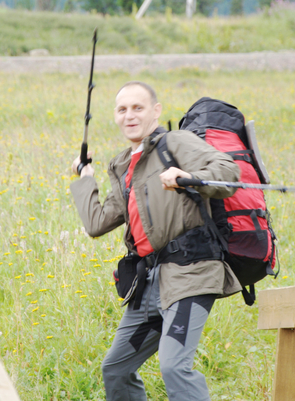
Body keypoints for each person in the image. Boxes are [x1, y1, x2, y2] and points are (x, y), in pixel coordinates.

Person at [70, 81, 241, 401]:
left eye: (138, 108)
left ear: (155, 111)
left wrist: (186, 177)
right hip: (149, 283)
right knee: (116, 370)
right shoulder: (123, 165)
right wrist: (85, 177)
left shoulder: (176, 143)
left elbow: (227, 172)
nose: (129, 116)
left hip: (191, 274)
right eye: (122, 110)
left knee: (174, 366)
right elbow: (96, 223)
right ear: (116, 116)